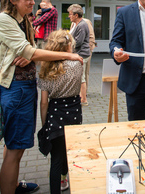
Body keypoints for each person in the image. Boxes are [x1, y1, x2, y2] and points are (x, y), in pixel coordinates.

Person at [0, 0, 82, 194]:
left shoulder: (22, 20)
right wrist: (67, 54)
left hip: (24, 89)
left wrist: (28, 55)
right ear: (13, 0)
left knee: (14, 146)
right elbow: (30, 51)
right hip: (16, 89)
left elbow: (27, 51)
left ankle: (13, 184)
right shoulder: (3, 20)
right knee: (15, 148)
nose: (34, 2)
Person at [37, 29, 83, 193]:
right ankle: (67, 180)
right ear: (69, 46)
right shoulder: (77, 64)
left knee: (55, 158)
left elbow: (43, 102)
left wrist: (44, 123)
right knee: (69, 151)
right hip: (74, 112)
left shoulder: (46, 69)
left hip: (55, 114)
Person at [68, 4, 91, 106]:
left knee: (81, 78)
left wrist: (68, 46)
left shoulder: (82, 25)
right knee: (79, 77)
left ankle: (84, 99)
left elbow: (78, 42)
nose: (69, 16)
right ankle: (80, 97)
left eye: (70, 14)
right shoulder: (76, 24)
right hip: (78, 54)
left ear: (76, 15)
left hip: (81, 54)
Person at [83, 17, 96, 91]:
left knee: (85, 71)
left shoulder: (86, 22)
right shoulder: (73, 23)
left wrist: (89, 49)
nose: (69, 16)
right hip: (76, 51)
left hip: (86, 51)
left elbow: (91, 37)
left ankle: (84, 91)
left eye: (71, 14)